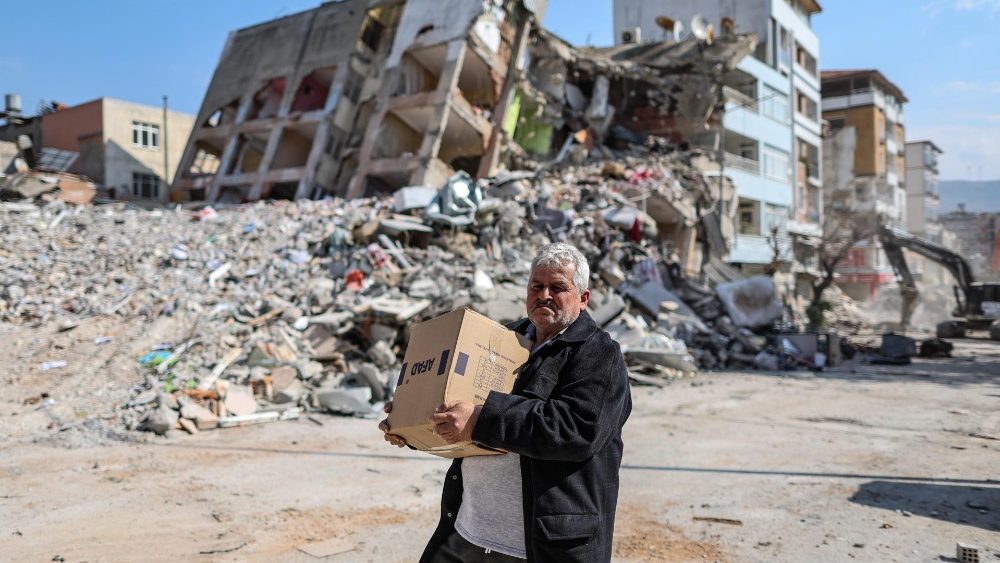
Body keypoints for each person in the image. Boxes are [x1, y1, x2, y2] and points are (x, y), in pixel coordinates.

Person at [379, 243, 632, 562]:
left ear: (583, 298)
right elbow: (460, 402)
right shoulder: (507, 339)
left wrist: (480, 420)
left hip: (536, 546)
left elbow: (575, 430)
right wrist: (413, 421)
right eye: (536, 286)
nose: (544, 295)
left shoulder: (598, 354)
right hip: (468, 531)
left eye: (558, 287)